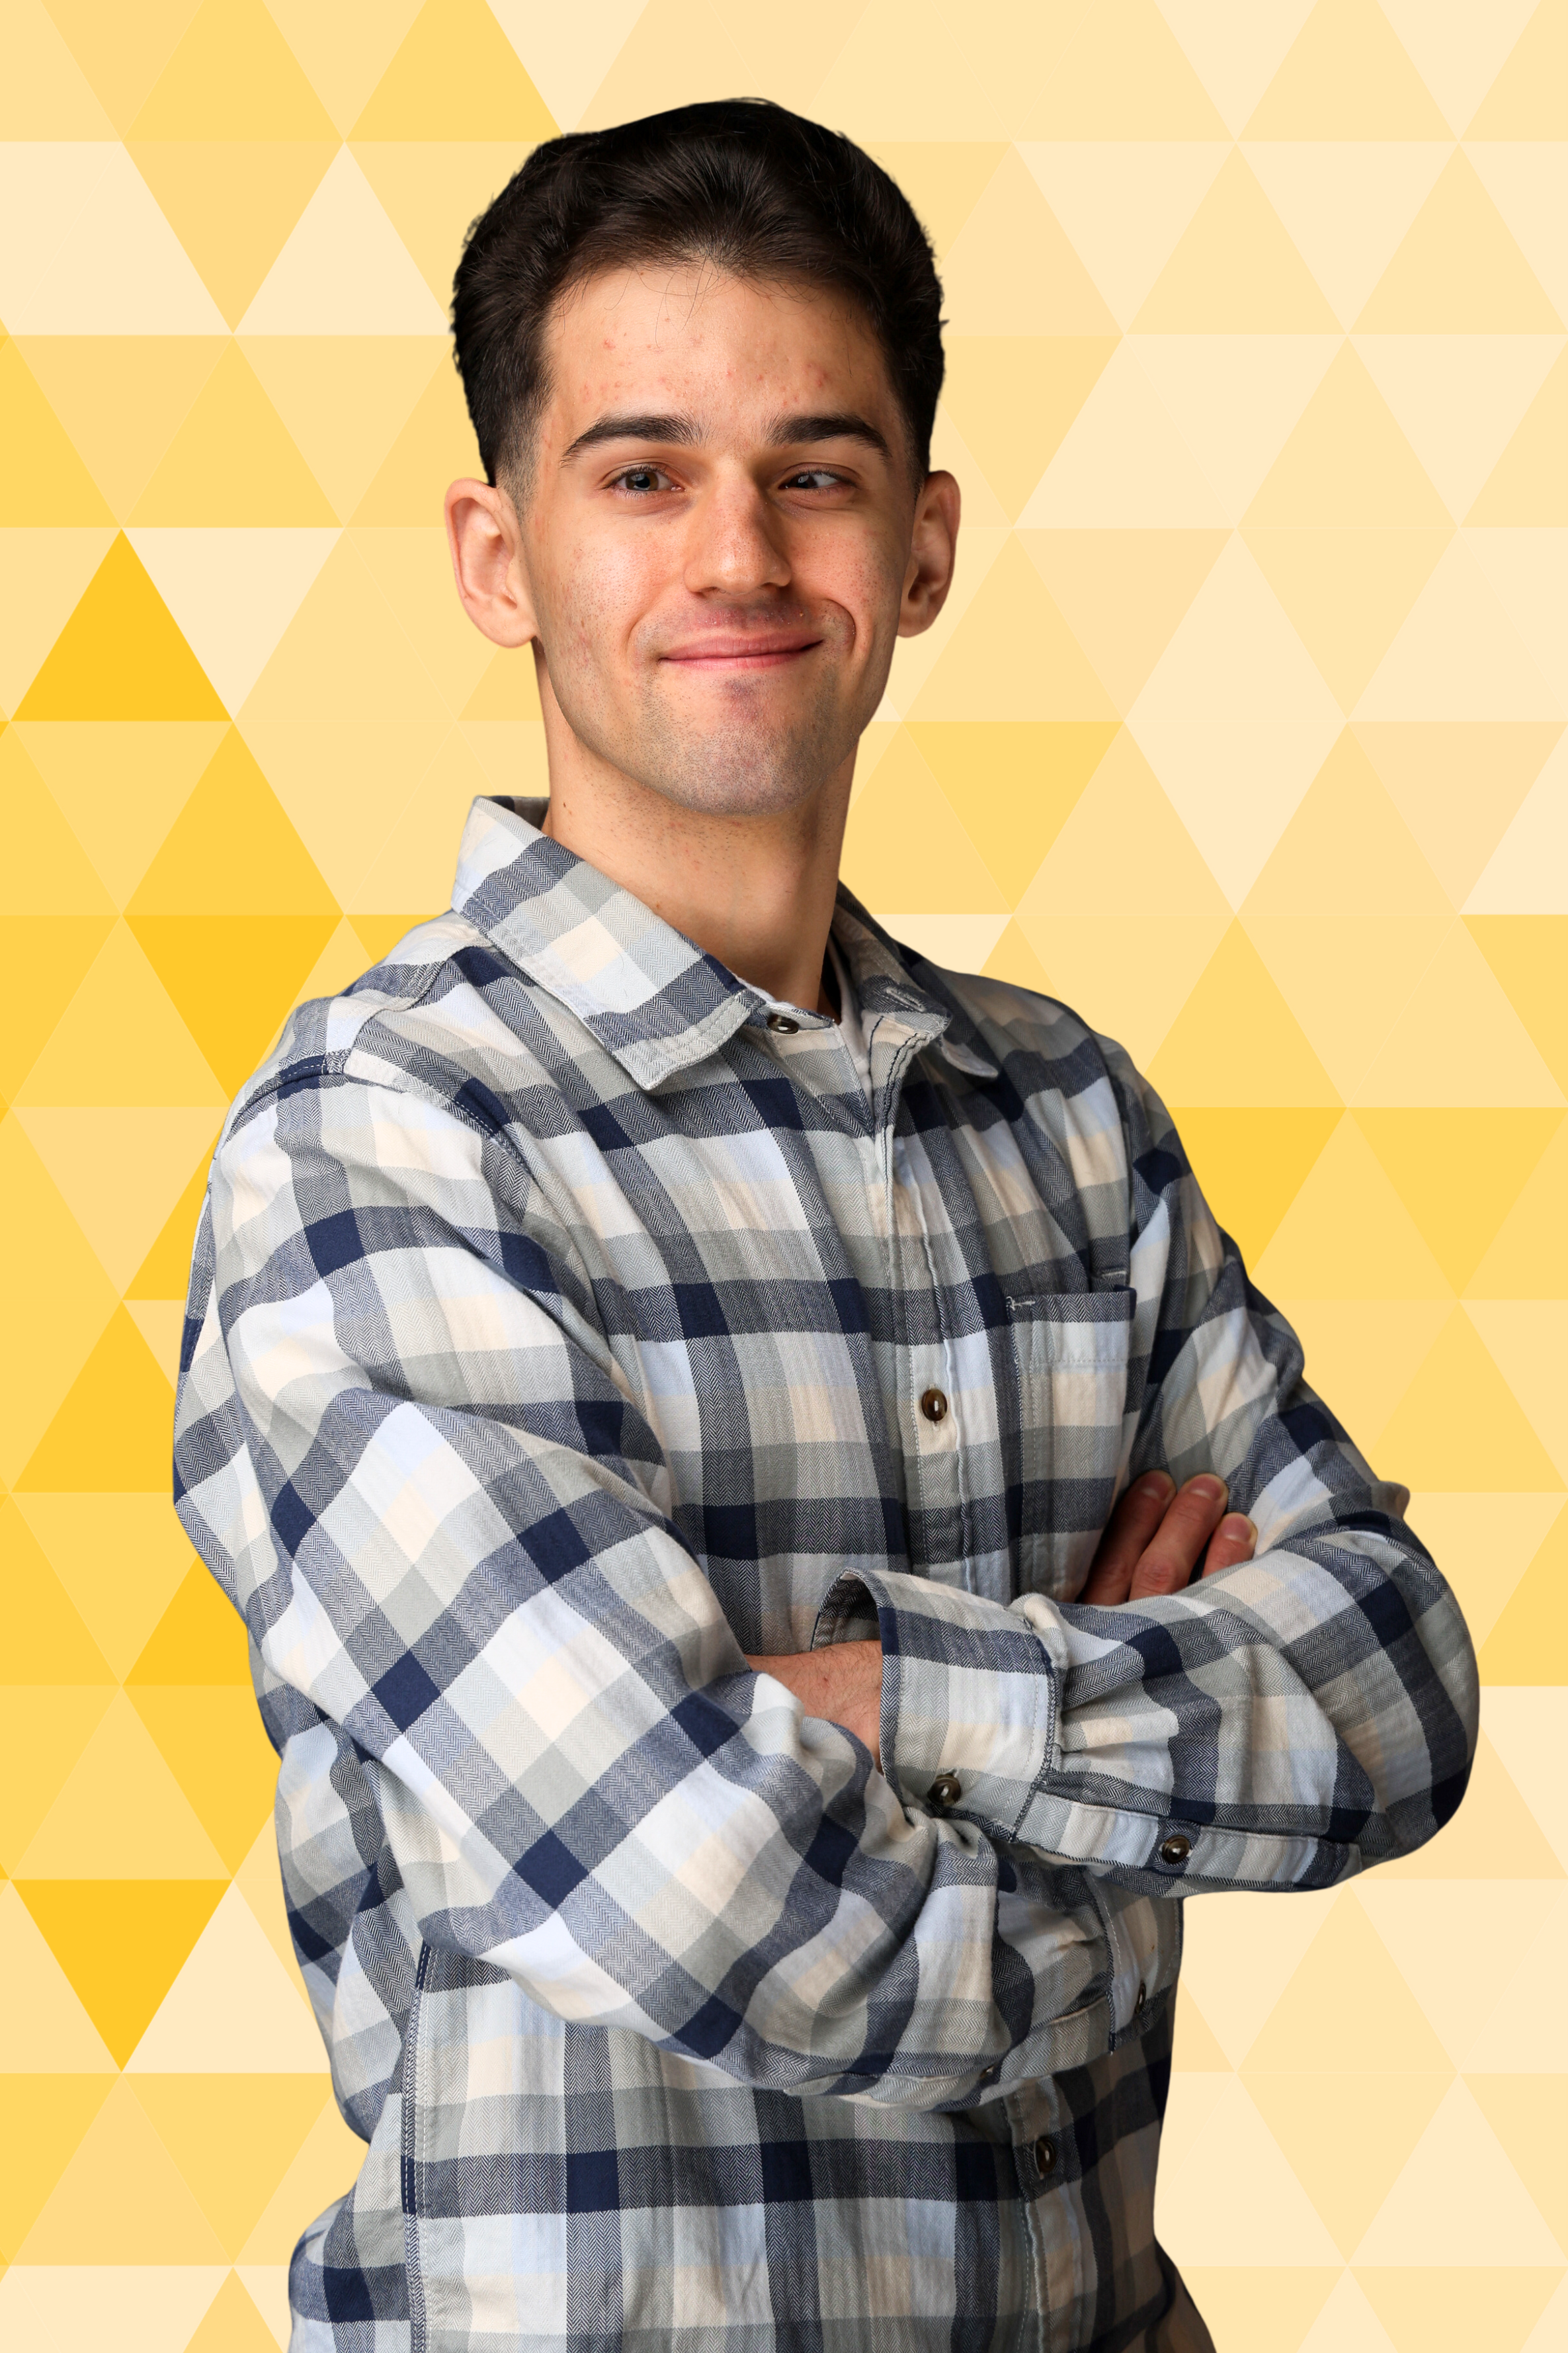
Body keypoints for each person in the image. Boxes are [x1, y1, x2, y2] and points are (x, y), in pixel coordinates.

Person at [171, 99, 1479, 2353]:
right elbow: (704, 1884)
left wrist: (880, 1701)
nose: (741, 556)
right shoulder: (380, 1142)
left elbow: (1396, 1681)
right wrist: (1125, 1827)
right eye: (642, 472)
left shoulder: (1068, 1115)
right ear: (499, 555)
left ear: (925, 542)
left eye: (818, 471)